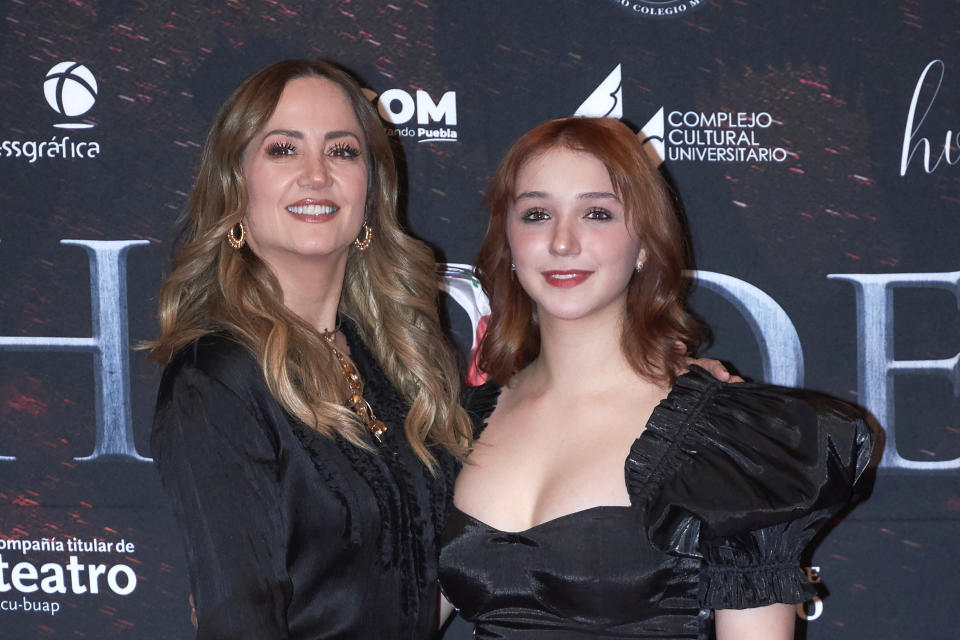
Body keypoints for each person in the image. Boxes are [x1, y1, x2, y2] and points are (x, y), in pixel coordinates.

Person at [439, 117, 874, 639]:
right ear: (509, 243)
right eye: (536, 214)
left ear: (645, 244)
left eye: (596, 213)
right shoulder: (457, 426)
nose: (561, 241)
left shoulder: (728, 440)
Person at [147, 60, 474, 639]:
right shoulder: (217, 378)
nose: (317, 175)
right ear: (235, 185)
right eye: (283, 150)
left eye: (343, 151)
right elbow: (239, 622)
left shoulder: (393, 364)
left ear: (370, 191)